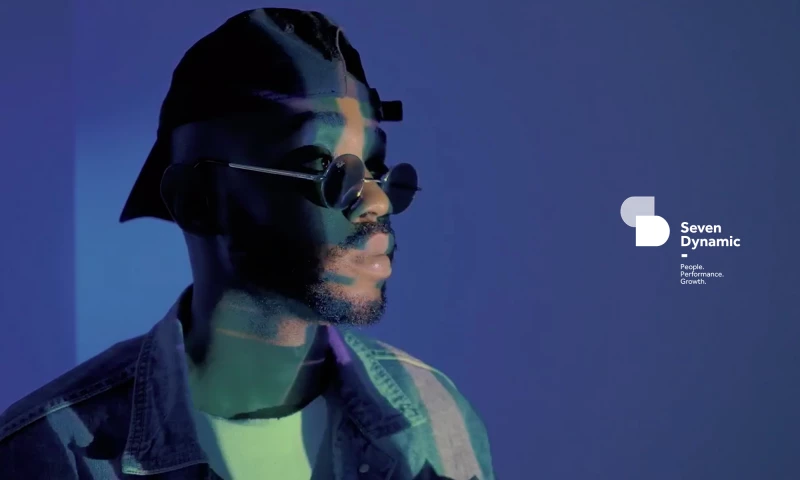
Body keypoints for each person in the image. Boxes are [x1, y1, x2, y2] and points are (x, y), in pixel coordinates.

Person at [0, 8, 493, 480]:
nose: (378, 202)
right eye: (324, 167)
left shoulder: (434, 413)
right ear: (198, 200)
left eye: (377, 170)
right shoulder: (49, 454)